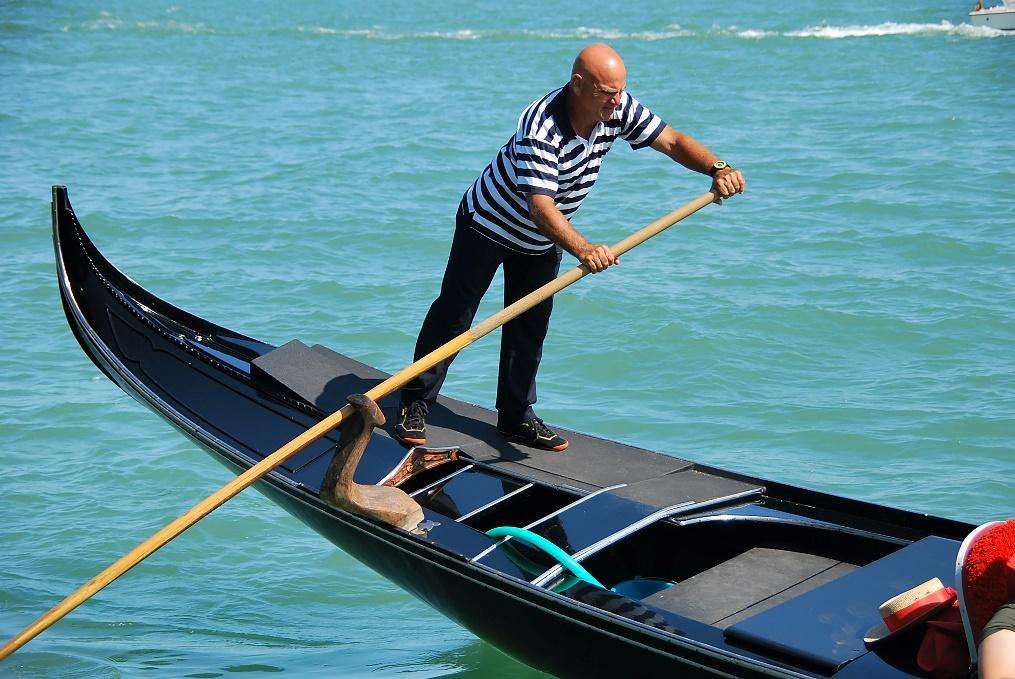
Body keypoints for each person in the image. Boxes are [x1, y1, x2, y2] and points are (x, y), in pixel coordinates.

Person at [394, 43, 746, 451]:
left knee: (530, 326)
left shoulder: (616, 107)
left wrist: (716, 167)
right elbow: (541, 207)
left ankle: (515, 418)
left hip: (542, 237)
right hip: (488, 224)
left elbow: (671, 140)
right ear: (579, 85)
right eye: (607, 94)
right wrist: (584, 249)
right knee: (456, 314)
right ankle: (415, 401)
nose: (617, 102)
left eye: (620, 92)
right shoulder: (540, 126)